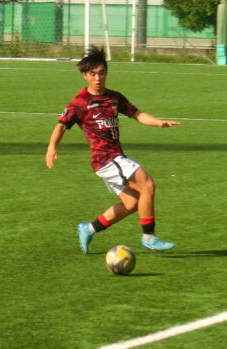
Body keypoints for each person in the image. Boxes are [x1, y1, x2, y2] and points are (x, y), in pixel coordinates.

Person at [45, 45, 179, 254]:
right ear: (85, 75)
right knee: (147, 184)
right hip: (105, 159)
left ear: (106, 73)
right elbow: (61, 125)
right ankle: (149, 237)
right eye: (93, 74)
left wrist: (158, 122)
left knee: (132, 202)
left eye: (101, 73)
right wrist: (51, 147)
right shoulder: (79, 102)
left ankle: (89, 228)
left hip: (115, 158)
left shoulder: (114, 97)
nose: (98, 78)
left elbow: (137, 114)